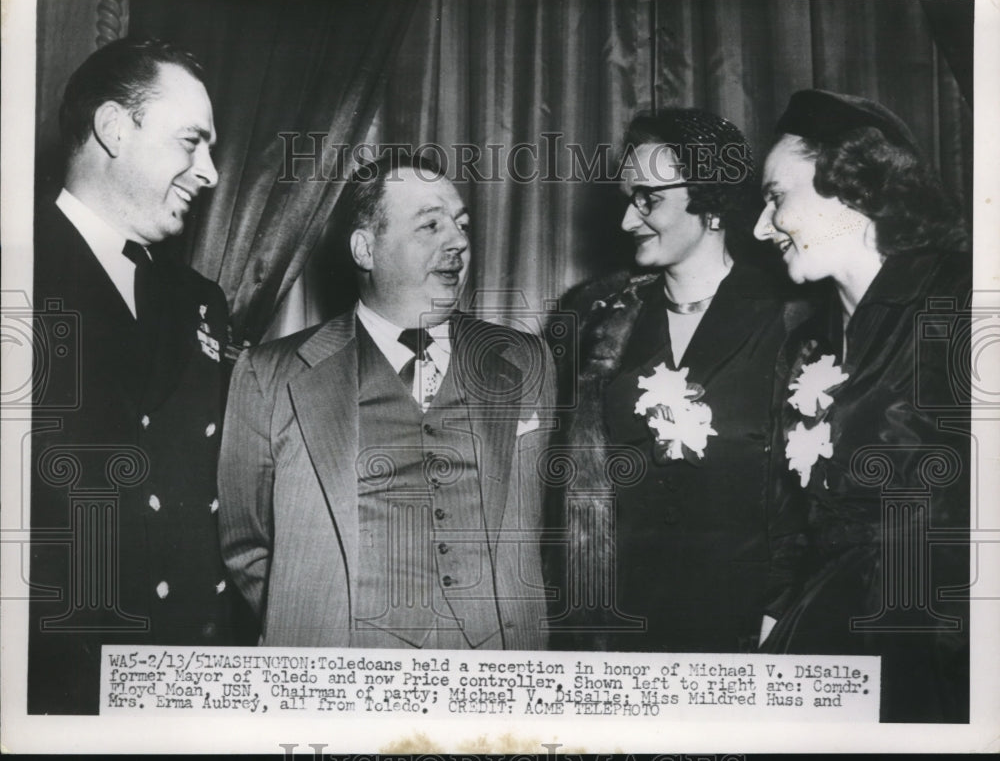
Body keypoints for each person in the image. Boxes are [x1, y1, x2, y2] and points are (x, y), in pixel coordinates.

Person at [218, 154, 554, 650]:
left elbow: (548, 522)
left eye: (461, 225)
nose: (459, 241)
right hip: (346, 680)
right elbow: (246, 545)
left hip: (495, 673)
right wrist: (317, 618)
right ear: (365, 248)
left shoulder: (525, 361)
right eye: (430, 225)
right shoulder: (268, 375)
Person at [754, 89, 971, 723]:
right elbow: (801, 520)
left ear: (852, 183)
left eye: (775, 198)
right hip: (827, 642)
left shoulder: (961, 299)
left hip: (938, 650)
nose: (762, 228)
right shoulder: (809, 344)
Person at [552, 109, 804, 653]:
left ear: (710, 199)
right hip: (621, 632)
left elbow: (813, 504)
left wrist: (780, 615)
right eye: (628, 198)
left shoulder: (793, 320)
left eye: (649, 198)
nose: (627, 220)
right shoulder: (596, 320)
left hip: (749, 631)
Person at [30, 37, 231, 714]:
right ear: (115, 129)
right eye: (191, 143)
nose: (209, 172)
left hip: (185, 675)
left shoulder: (203, 300)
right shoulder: (18, 274)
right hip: (52, 681)